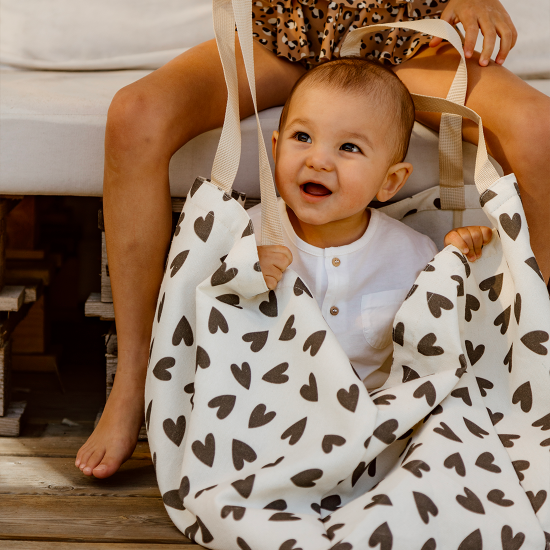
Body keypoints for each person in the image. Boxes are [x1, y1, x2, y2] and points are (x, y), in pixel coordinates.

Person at [75, 0, 549, 479]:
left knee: (539, 128)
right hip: (283, 30)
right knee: (135, 113)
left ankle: (524, 374)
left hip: (413, 39)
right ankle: (135, 377)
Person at [249, 57, 492, 390]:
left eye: (349, 147)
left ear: (390, 182)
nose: (318, 160)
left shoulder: (412, 253)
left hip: (369, 417)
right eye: (303, 137)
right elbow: (202, 310)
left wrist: (460, 263)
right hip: (263, 404)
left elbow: (446, 332)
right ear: (276, 150)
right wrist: (242, 275)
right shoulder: (247, 233)